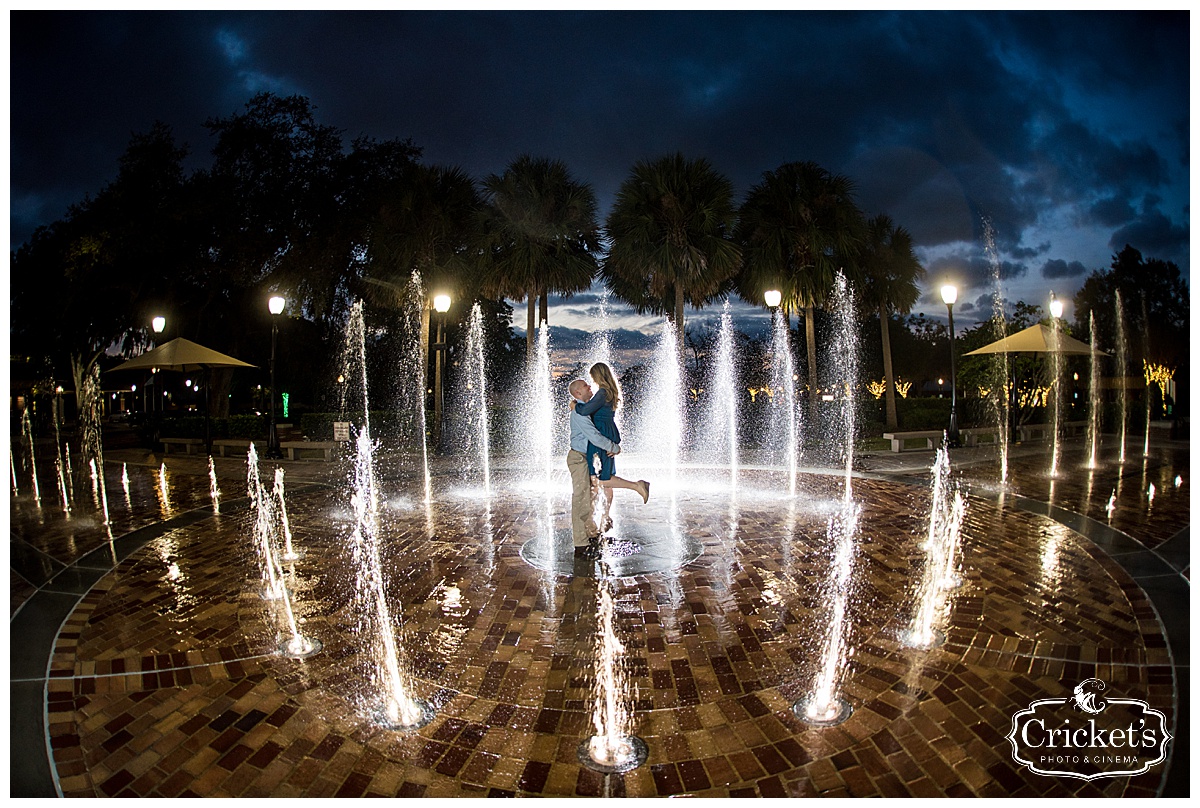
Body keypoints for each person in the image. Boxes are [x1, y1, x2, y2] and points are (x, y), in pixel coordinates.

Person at [572, 362, 649, 530]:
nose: (591, 381)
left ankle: (637, 485)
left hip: (600, 436)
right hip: (607, 432)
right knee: (604, 479)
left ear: (598, 376)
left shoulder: (602, 392)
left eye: (592, 378)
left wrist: (575, 405)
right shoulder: (609, 392)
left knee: (600, 479)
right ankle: (605, 517)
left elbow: (585, 411)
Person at [567, 378, 619, 559]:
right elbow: (594, 436)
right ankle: (581, 545)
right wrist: (613, 447)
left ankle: (591, 534)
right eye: (585, 386)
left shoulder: (583, 409)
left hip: (584, 458)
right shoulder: (580, 414)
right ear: (578, 393)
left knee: (589, 497)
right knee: (581, 499)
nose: (590, 386)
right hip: (578, 459)